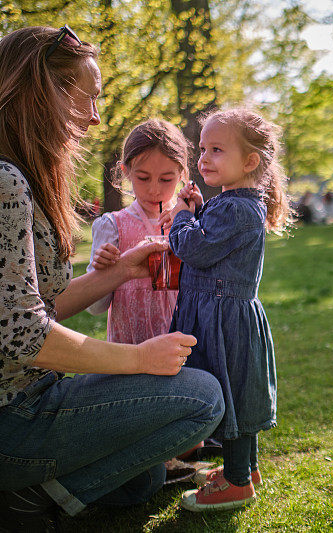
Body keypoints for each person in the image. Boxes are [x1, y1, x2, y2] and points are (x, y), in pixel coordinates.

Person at [0, 26, 224, 530]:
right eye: (89, 98)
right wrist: (139, 358)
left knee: (142, 482)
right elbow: (22, 336)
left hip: (30, 398)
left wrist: (123, 269)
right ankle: (30, 500)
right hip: (14, 416)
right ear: (47, 91)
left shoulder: (21, 173)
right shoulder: (6, 181)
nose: (96, 117)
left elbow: (36, 307)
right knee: (203, 397)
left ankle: (44, 489)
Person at [158, 108, 289, 511]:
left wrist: (180, 218)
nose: (204, 159)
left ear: (250, 162)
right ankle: (243, 469)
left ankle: (236, 482)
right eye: (202, 149)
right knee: (234, 390)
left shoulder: (236, 207)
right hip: (218, 311)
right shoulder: (234, 203)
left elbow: (195, 248)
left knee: (230, 393)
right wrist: (197, 211)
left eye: (217, 150)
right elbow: (212, 242)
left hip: (221, 317)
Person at [86, 119, 187, 343]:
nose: (154, 189)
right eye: (143, 178)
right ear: (126, 172)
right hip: (130, 351)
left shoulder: (188, 225)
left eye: (166, 179)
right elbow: (96, 308)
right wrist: (100, 269)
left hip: (182, 346)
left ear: (181, 174)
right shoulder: (112, 226)